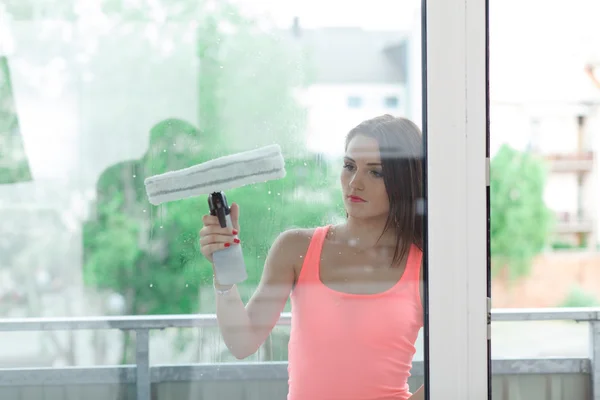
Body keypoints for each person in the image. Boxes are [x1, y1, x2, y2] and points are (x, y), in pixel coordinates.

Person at [199, 114, 425, 400]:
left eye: (375, 172)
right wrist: (224, 276)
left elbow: (455, 360)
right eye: (349, 166)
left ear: (403, 182)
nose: (355, 183)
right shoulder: (295, 248)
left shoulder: (423, 266)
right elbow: (242, 342)